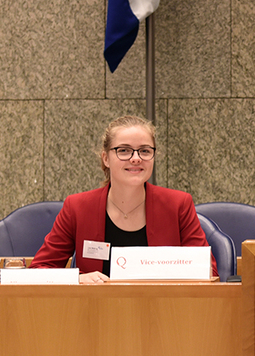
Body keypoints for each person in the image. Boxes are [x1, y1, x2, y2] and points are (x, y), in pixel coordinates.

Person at [31, 115, 215, 283]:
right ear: (106, 159)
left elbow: (209, 272)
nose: (136, 159)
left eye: (144, 151)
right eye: (124, 150)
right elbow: (38, 270)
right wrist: (77, 279)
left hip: (162, 312)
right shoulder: (77, 207)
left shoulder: (178, 205)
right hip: (97, 313)